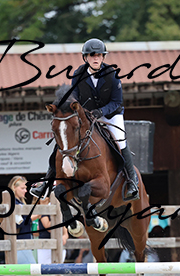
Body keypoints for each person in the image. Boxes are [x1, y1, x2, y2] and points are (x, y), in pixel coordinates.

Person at [31, 38, 140, 201]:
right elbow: (74, 96)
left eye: (99, 55)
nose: (95, 58)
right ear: (85, 57)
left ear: (103, 57)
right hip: (87, 114)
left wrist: (100, 112)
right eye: (92, 55)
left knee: (120, 140)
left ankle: (132, 181)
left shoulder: (112, 75)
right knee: (64, 140)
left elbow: (117, 101)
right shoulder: (78, 74)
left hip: (111, 114)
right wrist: (79, 111)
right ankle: (46, 183)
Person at [9, 176, 42, 276]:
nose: (25, 190)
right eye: (22, 188)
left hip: (22, 243)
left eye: (26, 188)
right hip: (20, 244)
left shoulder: (19, 203)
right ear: (14, 188)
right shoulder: (14, 203)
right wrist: (36, 216)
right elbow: (20, 223)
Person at [35, 196, 69, 276]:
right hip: (45, 246)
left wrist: (64, 236)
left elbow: (65, 231)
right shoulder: (43, 210)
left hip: (57, 247)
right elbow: (49, 227)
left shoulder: (55, 209)